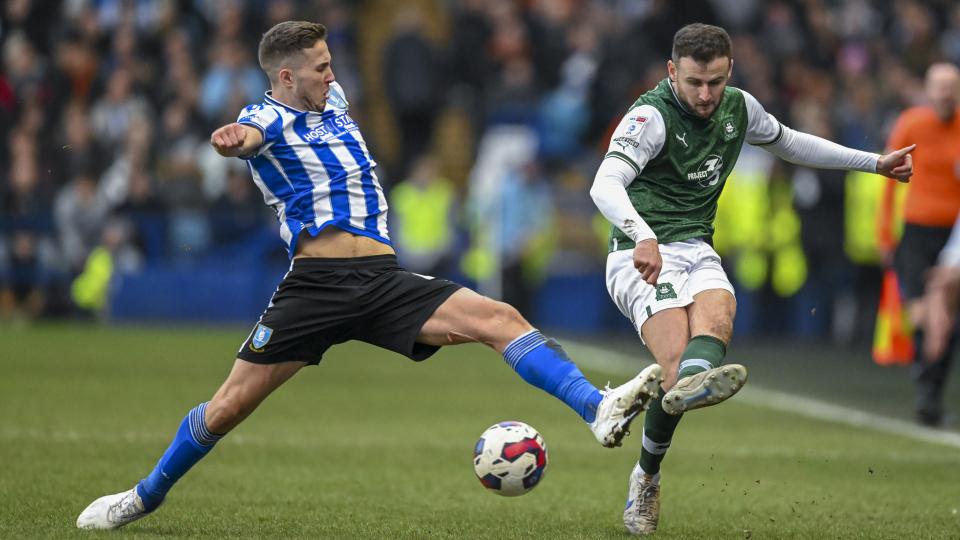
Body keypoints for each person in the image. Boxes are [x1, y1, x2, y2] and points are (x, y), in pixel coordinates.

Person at [76, 21, 664, 530]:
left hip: (382, 280)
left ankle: (597, 409)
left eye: (331, 64)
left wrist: (322, 89)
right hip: (316, 289)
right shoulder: (265, 116)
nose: (332, 75)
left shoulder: (334, 105)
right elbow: (248, 138)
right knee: (227, 408)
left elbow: (327, 108)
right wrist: (233, 141)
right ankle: (144, 496)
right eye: (320, 67)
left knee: (499, 318)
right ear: (285, 78)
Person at [589, 23, 915, 536]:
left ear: (730, 72)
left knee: (716, 321)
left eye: (715, 82)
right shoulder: (650, 116)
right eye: (694, 82)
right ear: (672, 72)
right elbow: (605, 182)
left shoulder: (739, 107)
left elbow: (790, 143)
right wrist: (642, 233)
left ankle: (675, 389)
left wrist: (873, 163)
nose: (705, 94)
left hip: (696, 248)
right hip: (640, 253)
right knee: (675, 368)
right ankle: (645, 475)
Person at [877, 62, 960, 428]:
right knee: (922, 315)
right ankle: (926, 384)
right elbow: (888, 178)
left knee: (945, 316)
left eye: (951, 86)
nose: (945, 93)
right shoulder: (912, 123)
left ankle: (930, 392)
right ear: (928, 90)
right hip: (916, 231)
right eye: (938, 86)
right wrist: (884, 233)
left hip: (954, 234)